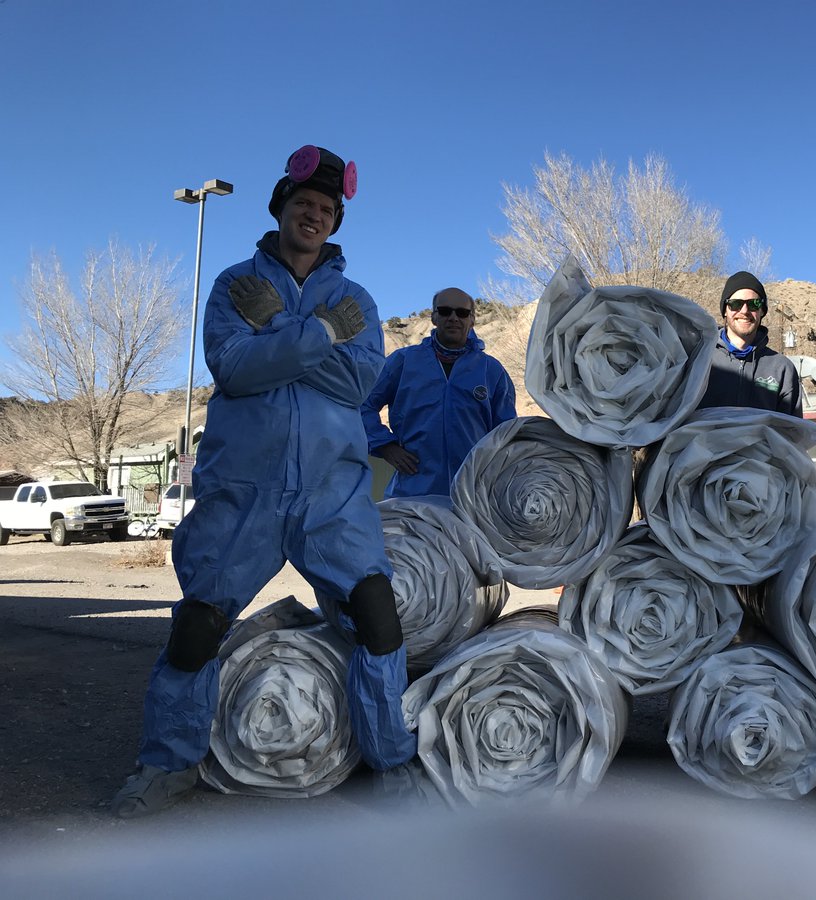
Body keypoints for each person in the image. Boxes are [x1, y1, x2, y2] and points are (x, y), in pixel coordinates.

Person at [112, 146, 415, 817]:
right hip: (241, 490)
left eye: (326, 210)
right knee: (197, 627)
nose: (314, 215)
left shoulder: (355, 299)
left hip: (330, 494)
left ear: (335, 225)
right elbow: (235, 368)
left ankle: (393, 761)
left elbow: (356, 381)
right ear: (281, 208)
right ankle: (167, 765)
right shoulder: (230, 287)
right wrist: (314, 337)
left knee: (375, 617)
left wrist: (276, 329)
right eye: (304, 204)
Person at [361, 288, 516, 497]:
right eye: (445, 311)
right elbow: (362, 403)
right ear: (434, 317)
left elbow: (506, 431)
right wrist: (385, 446)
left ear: (472, 320)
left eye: (462, 313)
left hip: (473, 496)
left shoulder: (491, 370)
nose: (453, 318)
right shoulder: (403, 362)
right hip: (412, 492)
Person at [697, 271, 803, 417]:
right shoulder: (700, 358)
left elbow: (792, 433)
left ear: (762, 311)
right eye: (736, 304)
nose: (745, 311)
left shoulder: (782, 369)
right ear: (725, 310)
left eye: (754, 304)